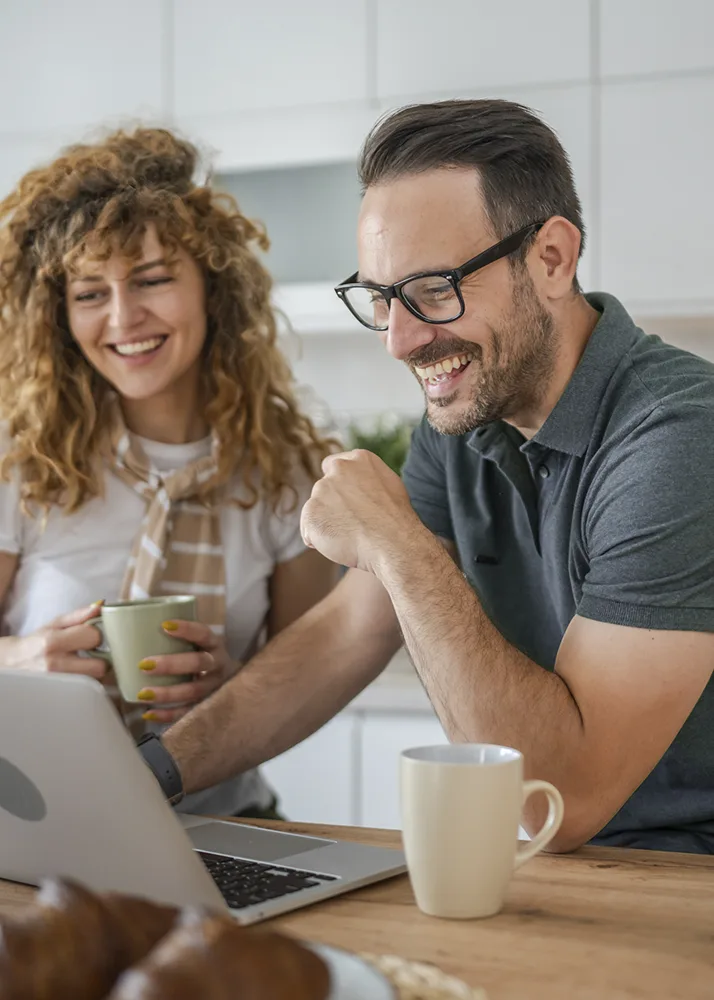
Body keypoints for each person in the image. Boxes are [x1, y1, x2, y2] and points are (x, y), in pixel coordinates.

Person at [146, 99, 714, 854]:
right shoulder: (467, 416)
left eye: (434, 289)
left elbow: (560, 801)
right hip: (558, 871)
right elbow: (349, 632)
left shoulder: (678, 437)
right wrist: (149, 776)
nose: (400, 339)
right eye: (380, 299)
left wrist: (398, 544)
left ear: (552, 257)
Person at [0, 127, 338, 819]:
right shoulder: (21, 460)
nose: (124, 319)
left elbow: (307, 679)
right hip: (40, 827)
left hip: (224, 824)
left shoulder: (289, 473)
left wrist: (234, 688)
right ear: (60, 315)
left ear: (212, 289)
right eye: (90, 293)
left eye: (153, 280)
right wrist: (18, 665)